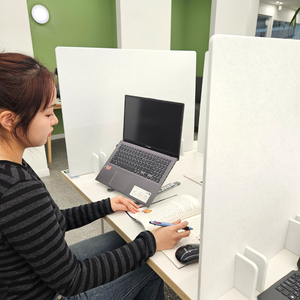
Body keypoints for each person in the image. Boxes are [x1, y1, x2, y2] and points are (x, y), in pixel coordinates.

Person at [0, 52, 191, 300]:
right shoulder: (17, 190)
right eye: (47, 114)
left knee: (127, 239)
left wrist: (106, 205)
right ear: (9, 120)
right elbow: (73, 280)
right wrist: (150, 244)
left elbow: (48, 222)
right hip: (52, 291)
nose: (55, 120)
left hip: (40, 274)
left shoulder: (11, 167)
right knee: (151, 261)